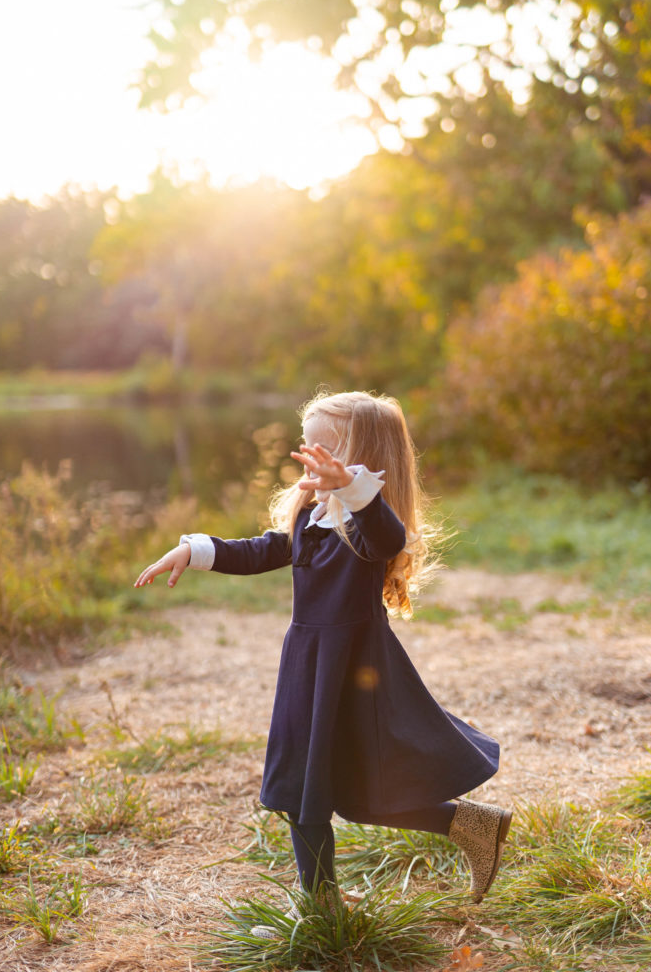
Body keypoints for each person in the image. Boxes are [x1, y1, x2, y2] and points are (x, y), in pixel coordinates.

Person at [134, 389, 511, 921]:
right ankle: (326, 898)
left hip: (351, 667)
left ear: (360, 462)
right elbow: (259, 550)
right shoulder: (312, 517)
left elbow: (388, 536)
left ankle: (462, 827)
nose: (308, 461)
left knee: (359, 793)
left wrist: (353, 491)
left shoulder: (364, 523)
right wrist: (195, 550)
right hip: (307, 665)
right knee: (299, 789)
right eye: (305, 447)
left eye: (322, 452)